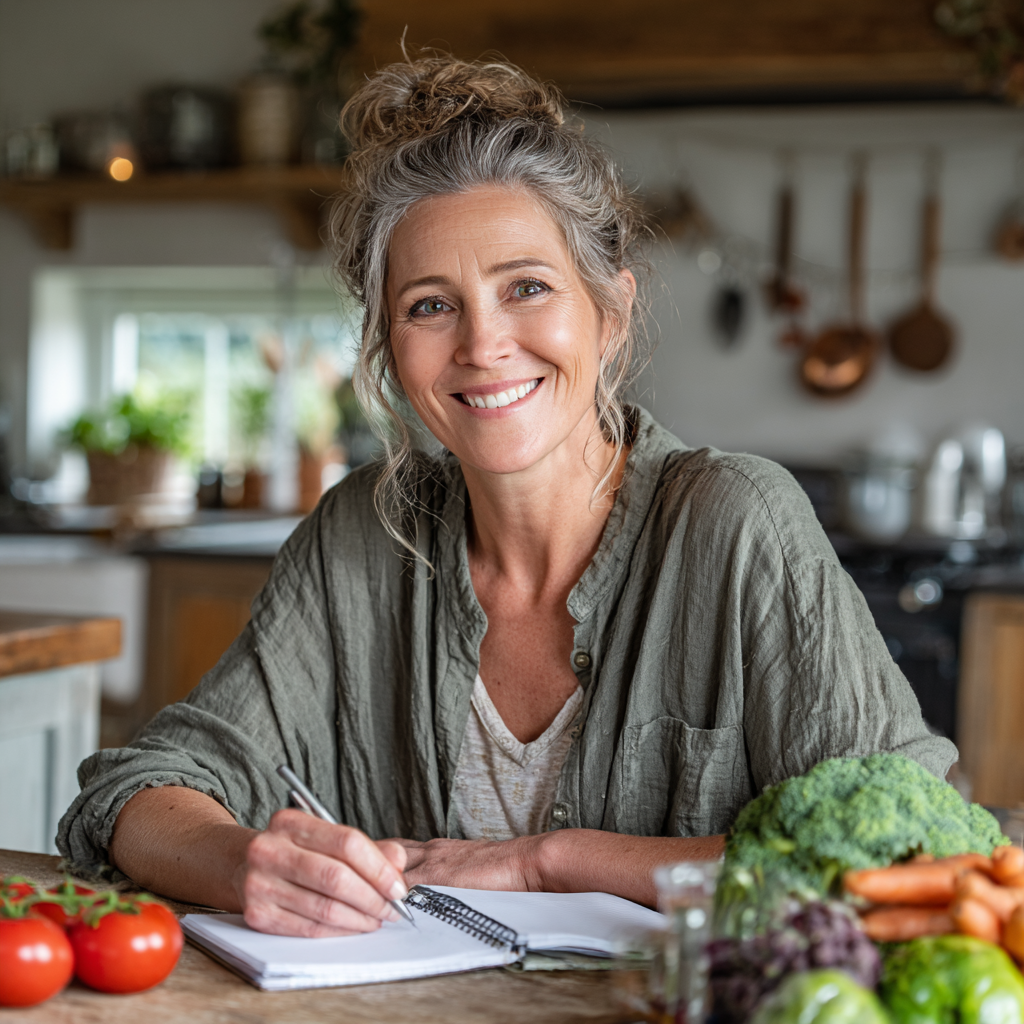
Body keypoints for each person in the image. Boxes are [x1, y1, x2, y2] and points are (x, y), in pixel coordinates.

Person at [58, 56, 955, 939]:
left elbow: (917, 852)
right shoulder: (360, 537)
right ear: (387, 347)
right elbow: (136, 790)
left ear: (609, 316)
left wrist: (548, 861)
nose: (483, 345)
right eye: (429, 306)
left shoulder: (736, 521)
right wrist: (244, 862)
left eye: (526, 288)